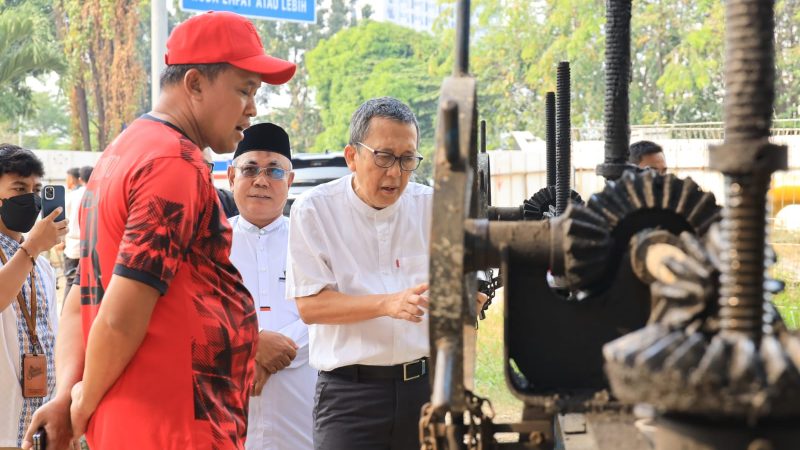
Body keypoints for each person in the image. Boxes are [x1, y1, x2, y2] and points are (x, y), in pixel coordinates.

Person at [22, 11, 296, 450]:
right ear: (195, 84)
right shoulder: (174, 164)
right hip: (172, 425)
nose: (252, 108)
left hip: (143, 420)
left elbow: (81, 295)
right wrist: (78, 407)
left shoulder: (122, 152)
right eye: (244, 90)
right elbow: (121, 311)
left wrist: (68, 394)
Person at [287, 97, 485, 450]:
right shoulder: (314, 210)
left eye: (408, 159)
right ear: (352, 156)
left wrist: (473, 295)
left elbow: (471, 274)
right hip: (349, 396)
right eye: (384, 157)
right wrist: (388, 304)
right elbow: (311, 306)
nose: (395, 173)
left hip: (424, 391)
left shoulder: (434, 206)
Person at [227, 123, 316, 450]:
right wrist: (251, 345)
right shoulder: (209, 245)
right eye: (250, 169)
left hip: (301, 404)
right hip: (228, 403)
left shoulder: (311, 241)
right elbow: (197, 313)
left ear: (289, 182)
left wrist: (273, 350)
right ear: (231, 176)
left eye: (275, 172)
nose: (262, 180)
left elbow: (327, 310)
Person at [0, 144, 67, 447]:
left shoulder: (41, 264)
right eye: (19, 187)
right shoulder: (33, 253)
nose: (31, 197)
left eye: (36, 189)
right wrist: (33, 248)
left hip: (35, 421)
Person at [61, 167, 86, 301]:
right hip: (89, 248)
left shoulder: (71, 195)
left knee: (71, 283)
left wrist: (61, 242)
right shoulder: (91, 193)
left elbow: (63, 219)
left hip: (73, 246)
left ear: (73, 179)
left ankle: (65, 317)